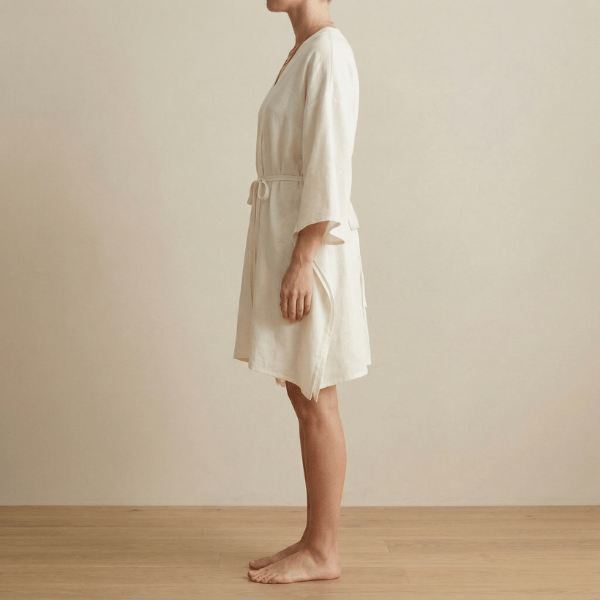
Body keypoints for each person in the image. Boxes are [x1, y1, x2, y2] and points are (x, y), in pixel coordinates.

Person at [233, 0, 371, 584]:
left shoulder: (328, 52)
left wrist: (303, 259)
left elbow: (329, 166)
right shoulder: (304, 50)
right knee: (301, 389)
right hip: (289, 239)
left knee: (316, 392)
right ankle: (314, 540)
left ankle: (323, 552)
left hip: (311, 247)